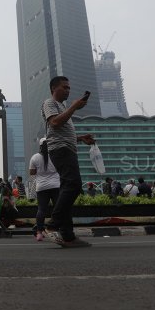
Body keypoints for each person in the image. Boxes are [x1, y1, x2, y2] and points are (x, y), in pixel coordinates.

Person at [41, 76, 95, 248]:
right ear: (54, 89)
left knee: (67, 190)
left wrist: (80, 138)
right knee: (73, 185)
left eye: (69, 88)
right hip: (61, 150)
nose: (68, 90)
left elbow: (63, 131)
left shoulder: (63, 107)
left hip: (67, 148)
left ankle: (68, 236)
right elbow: (55, 123)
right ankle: (52, 225)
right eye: (65, 87)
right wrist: (74, 107)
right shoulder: (49, 103)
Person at [29, 137, 60, 242]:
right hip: (56, 185)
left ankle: (39, 233)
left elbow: (32, 172)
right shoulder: (56, 155)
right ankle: (57, 229)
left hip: (42, 187)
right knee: (58, 208)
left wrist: (41, 171)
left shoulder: (35, 157)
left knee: (41, 209)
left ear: (40, 146)